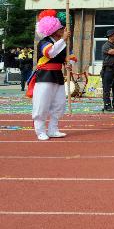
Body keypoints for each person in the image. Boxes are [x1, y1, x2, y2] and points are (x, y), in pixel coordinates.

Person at [28, 10, 75, 140]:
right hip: (45, 76)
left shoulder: (63, 43)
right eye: (61, 28)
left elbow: (69, 57)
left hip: (58, 76)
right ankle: (40, 131)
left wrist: (69, 63)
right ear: (54, 30)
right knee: (41, 104)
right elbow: (50, 53)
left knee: (59, 104)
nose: (64, 30)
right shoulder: (44, 42)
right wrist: (64, 39)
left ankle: (53, 129)